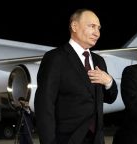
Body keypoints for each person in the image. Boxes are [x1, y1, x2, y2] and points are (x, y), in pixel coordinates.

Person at [34, 9, 118, 144]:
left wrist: (109, 82)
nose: (97, 33)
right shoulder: (55, 58)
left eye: (99, 28)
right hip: (66, 139)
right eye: (92, 26)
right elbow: (44, 106)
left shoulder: (99, 61)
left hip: (96, 139)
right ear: (74, 26)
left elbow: (110, 98)